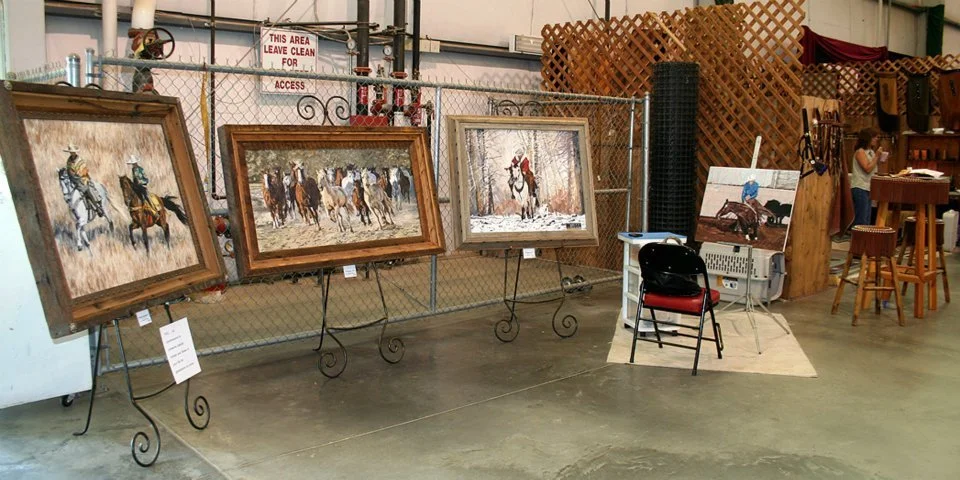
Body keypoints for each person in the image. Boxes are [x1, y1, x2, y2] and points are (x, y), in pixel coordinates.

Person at [851, 128, 884, 228]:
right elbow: (867, 168)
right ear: (868, 138)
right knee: (861, 219)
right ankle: (858, 241)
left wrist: (880, 159)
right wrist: (877, 156)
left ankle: (865, 241)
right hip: (860, 187)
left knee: (867, 219)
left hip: (868, 188)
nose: (876, 140)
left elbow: (874, 169)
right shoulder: (860, 152)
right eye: (874, 137)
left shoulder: (871, 152)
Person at [64, 143, 104, 218]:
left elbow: (84, 171)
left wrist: (78, 174)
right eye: (70, 151)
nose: (71, 153)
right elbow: (68, 170)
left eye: (73, 151)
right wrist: (70, 175)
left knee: (88, 190)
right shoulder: (68, 161)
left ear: (75, 152)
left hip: (83, 179)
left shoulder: (80, 161)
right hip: (73, 180)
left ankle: (97, 207)